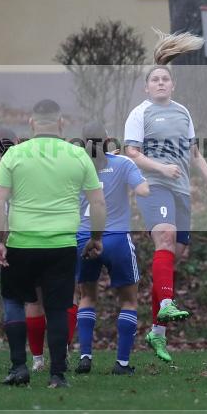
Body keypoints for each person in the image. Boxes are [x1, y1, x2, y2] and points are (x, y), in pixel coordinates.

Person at [0, 100, 106, 388]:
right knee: (57, 307)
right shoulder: (78, 155)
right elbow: (98, 202)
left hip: (21, 243)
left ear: (31, 123)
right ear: (61, 123)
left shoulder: (14, 155)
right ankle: (57, 374)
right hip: (62, 245)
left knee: (15, 301)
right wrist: (96, 238)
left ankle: (19, 367)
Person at [123, 31, 207, 363]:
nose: (161, 83)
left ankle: (157, 332)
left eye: (166, 79)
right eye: (156, 80)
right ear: (147, 87)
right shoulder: (140, 113)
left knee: (175, 253)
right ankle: (166, 303)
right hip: (154, 186)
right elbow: (132, 153)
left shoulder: (183, 112)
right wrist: (161, 169)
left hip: (181, 190)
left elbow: (194, 153)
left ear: (173, 85)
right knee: (165, 239)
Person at [74, 122, 149, 376]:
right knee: (128, 301)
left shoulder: (78, 166)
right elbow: (144, 190)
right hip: (116, 238)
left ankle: (85, 356)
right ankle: (122, 364)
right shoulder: (124, 164)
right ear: (108, 140)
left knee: (86, 297)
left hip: (84, 236)